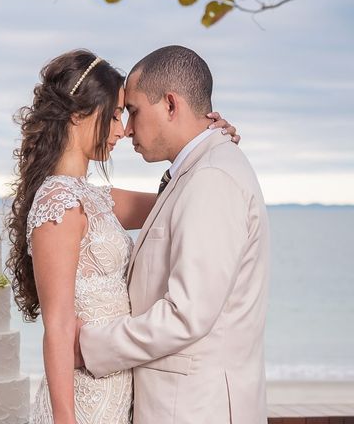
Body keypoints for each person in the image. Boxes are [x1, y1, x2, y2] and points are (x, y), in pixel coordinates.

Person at [5, 48, 240, 424]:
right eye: (115, 115)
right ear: (79, 113)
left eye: (124, 114)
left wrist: (206, 141)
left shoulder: (100, 198)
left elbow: (180, 199)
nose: (122, 130)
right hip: (84, 395)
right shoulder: (58, 204)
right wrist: (66, 420)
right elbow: (60, 327)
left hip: (120, 388)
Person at [75, 45, 269, 424]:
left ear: (170, 105)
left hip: (195, 410)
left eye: (132, 111)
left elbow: (186, 315)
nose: (127, 129)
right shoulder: (200, 172)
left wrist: (90, 346)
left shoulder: (212, 178)